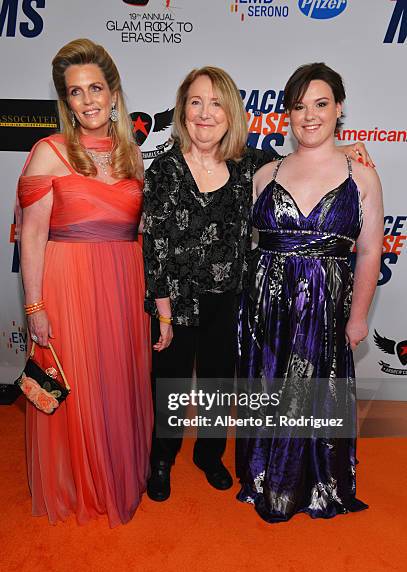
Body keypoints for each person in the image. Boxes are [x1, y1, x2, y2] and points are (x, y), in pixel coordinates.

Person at [142, 65, 371, 502]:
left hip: (233, 300)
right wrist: (164, 315)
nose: (205, 113)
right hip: (175, 302)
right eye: (195, 102)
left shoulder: (252, 165)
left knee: (216, 383)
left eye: (215, 103)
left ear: (231, 113)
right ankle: (163, 457)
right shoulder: (163, 170)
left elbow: (309, 161)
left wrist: (349, 149)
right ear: (182, 111)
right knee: (168, 382)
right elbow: (153, 248)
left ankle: (209, 456)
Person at [236, 62, 383, 523]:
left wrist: (358, 318)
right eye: (298, 106)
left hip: (325, 309)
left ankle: (317, 483)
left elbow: (369, 254)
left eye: (321, 104)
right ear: (287, 114)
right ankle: (265, 478)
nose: (310, 116)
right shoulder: (266, 174)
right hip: (269, 308)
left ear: (339, 109)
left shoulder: (361, 175)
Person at [18, 39, 153, 527]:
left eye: (96, 88)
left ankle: (115, 472)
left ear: (114, 94)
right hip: (68, 281)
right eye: (76, 92)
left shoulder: (131, 155)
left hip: (123, 284)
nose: (89, 100)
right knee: (79, 383)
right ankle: (79, 482)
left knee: (116, 380)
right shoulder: (48, 152)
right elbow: (32, 235)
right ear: (66, 101)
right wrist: (35, 307)